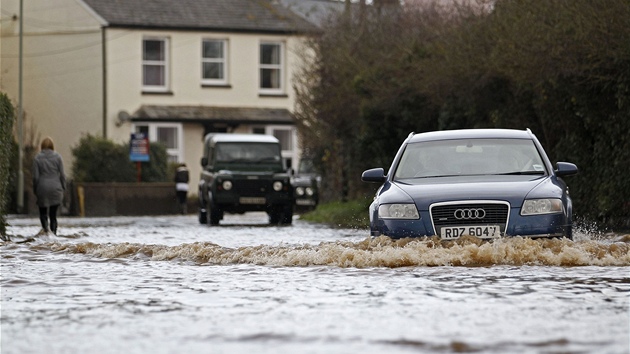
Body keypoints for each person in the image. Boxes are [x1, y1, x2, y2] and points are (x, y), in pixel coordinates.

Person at [32, 137, 66, 235]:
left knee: (43, 212)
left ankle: (46, 231)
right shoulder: (58, 157)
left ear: (41, 146)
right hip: (56, 188)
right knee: (53, 214)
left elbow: (35, 177)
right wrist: (63, 187)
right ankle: (54, 234)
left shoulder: (37, 158)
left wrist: (36, 189)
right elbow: (62, 175)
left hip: (42, 188)